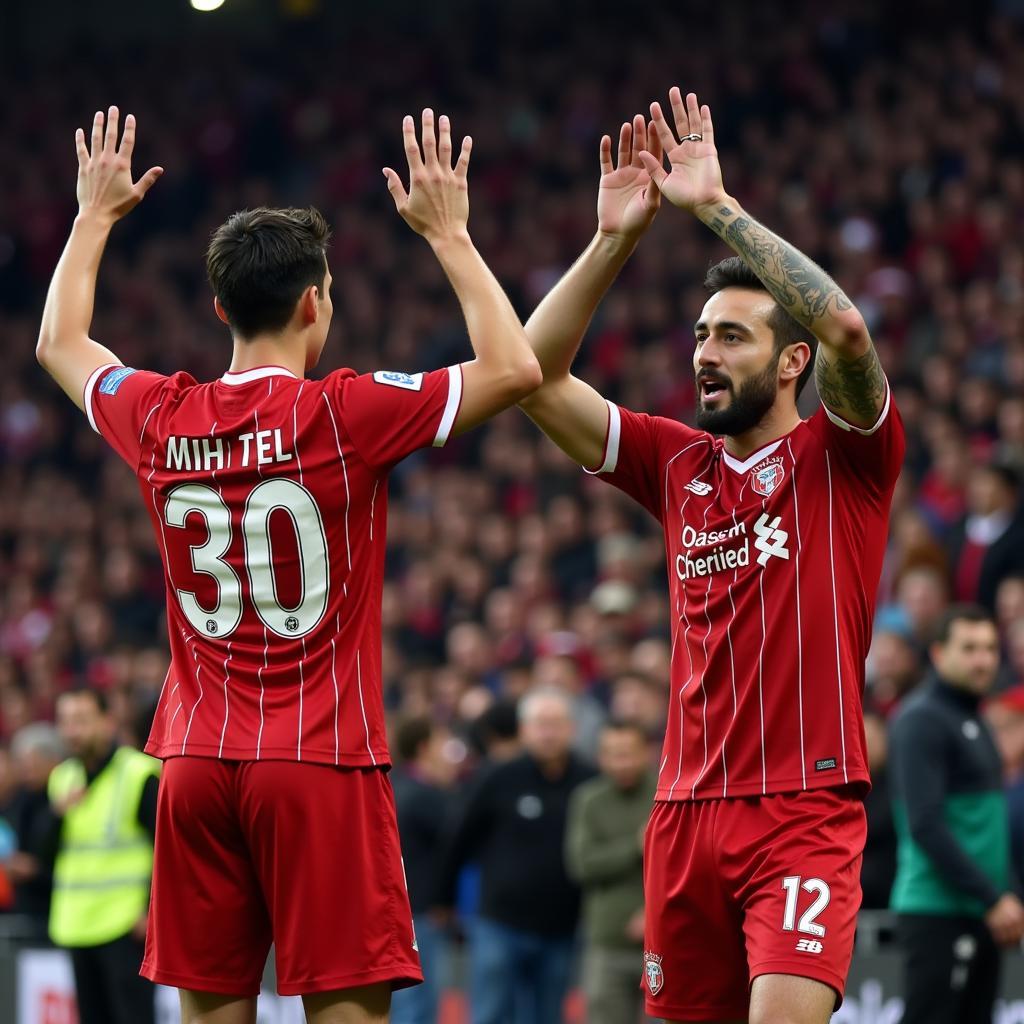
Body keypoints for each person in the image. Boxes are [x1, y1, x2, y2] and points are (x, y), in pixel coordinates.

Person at [35, 106, 540, 1024]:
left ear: (221, 307)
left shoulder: (160, 414)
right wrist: (451, 235)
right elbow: (514, 368)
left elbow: (61, 345)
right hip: (319, 758)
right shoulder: (345, 414)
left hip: (191, 762)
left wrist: (93, 218)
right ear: (315, 302)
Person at [519, 88, 905, 1024]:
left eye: (732, 336)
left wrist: (716, 208)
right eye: (700, 335)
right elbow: (530, 376)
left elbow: (848, 328)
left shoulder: (842, 456)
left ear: (790, 362)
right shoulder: (675, 464)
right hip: (685, 815)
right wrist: (613, 240)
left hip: (804, 809)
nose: (705, 354)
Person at [889, 605, 1024, 1024]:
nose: (982, 659)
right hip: (937, 912)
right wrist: (993, 896)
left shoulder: (974, 717)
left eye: (988, 648)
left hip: (978, 912)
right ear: (938, 654)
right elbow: (925, 824)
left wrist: (1007, 895)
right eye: (968, 648)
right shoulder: (921, 719)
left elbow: (985, 827)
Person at [435, 688, 594, 1024]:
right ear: (524, 731)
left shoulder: (589, 780)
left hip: (563, 924)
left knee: (548, 1015)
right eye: (541, 724)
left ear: (572, 728)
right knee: (492, 1013)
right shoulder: (498, 776)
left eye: (556, 724)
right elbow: (460, 838)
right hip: (499, 921)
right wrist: (443, 897)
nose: (549, 733)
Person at [47, 688, 160, 1024]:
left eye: (81, 720)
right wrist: (55, 817)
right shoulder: (62, 776)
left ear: (108, 722)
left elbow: (167, 850)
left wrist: (152, 911)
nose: (72, 731)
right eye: (65, 722)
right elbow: (45, 853)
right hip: (76, 925)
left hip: (125, 927)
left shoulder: (139, 773)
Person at [565, 719, 657, 1024]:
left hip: (662, 945)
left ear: (646, 752)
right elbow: (581, 864)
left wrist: (651, 913)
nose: (622, 763)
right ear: (600, 756)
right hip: (606, 942)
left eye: (628, 752)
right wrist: (635, 847)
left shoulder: (666, 793)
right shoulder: (589, 799)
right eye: (613, 754)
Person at [389, 717, 457, 1024]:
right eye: (444, 744)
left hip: (400, 910)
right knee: (418, 1005)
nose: (450, 753)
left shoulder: (394, 785)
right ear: (424, 748)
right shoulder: (427, 796)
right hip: (421, 912)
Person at [5, 722, 65, 932]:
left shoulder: (64, 798)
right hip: (24, 912)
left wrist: (36, 871)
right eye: (22, 763)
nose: (26, 770)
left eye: (33, 763)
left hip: (58, 908)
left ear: (54, 761)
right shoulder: (19, 800)